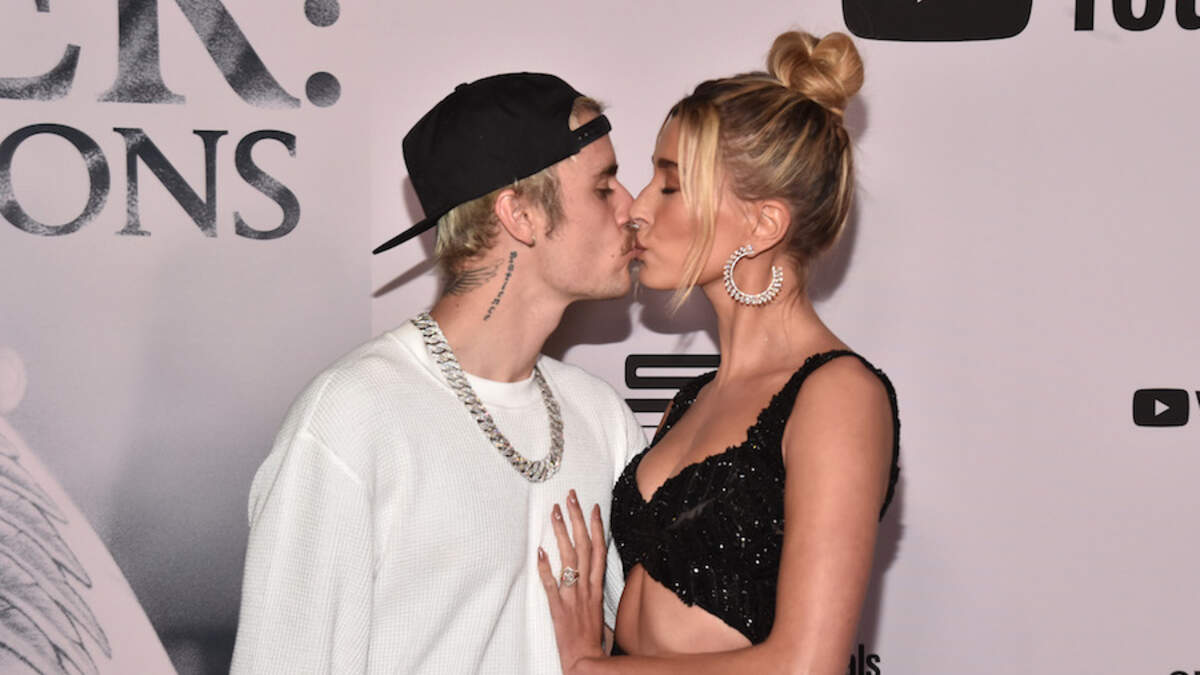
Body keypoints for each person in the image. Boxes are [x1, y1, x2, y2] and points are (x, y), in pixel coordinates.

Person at [231, 72, 646, 673]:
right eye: (604, 187)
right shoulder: (355, 417)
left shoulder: (602, 418)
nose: (633, 208)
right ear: (521, 214)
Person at [536, 31, 901, 674]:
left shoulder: (839, 396)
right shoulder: (692, 399)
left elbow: (806, 665)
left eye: (670, 185)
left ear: (763, 224)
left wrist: (593, 671)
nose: (637, 208)